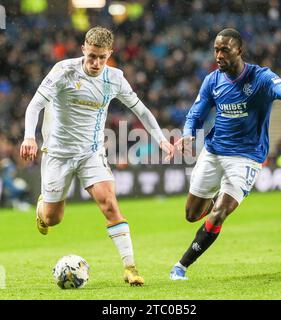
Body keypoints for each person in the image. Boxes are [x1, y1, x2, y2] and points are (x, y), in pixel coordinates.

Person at [19, 26, 174, 286]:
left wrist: (162, 140)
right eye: (91, 56)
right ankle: (43, 205)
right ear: (83, 49)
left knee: (110, 204)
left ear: (109, 54)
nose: (96, 63)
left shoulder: (114, 78)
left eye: (102, 57)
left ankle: (130, 268)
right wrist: (29, 136)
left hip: (91, 153)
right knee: (52, 219)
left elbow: (142, 111)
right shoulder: (63, 71)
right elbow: (35, 104)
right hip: (58, 153)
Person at [170, 28, 281, 280]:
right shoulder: (212, 80)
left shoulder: (262, 78)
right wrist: (188, 132)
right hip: (214, 152)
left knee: (220, 212)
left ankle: (181, 266)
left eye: (225, 50)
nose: (219, 55)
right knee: (192, 215)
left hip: (246, 158)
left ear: (239, 51)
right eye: (216, 50)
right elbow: (196, 114)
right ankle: (219, 195)